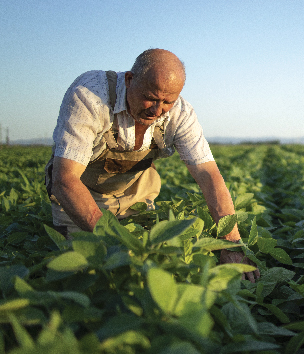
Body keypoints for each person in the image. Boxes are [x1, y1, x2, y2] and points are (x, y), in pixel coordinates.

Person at [45, 48, 260, 282]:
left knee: (151, 272)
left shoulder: (181, 114)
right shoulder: (90, 96)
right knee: (86, 272)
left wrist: (231, 244)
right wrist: (119, 246)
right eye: (151, 97)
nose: (157, 110)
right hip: (81, 195)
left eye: (167, 101)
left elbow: (208, 174)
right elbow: (65, 180)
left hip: (136, 194)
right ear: (129, 80)